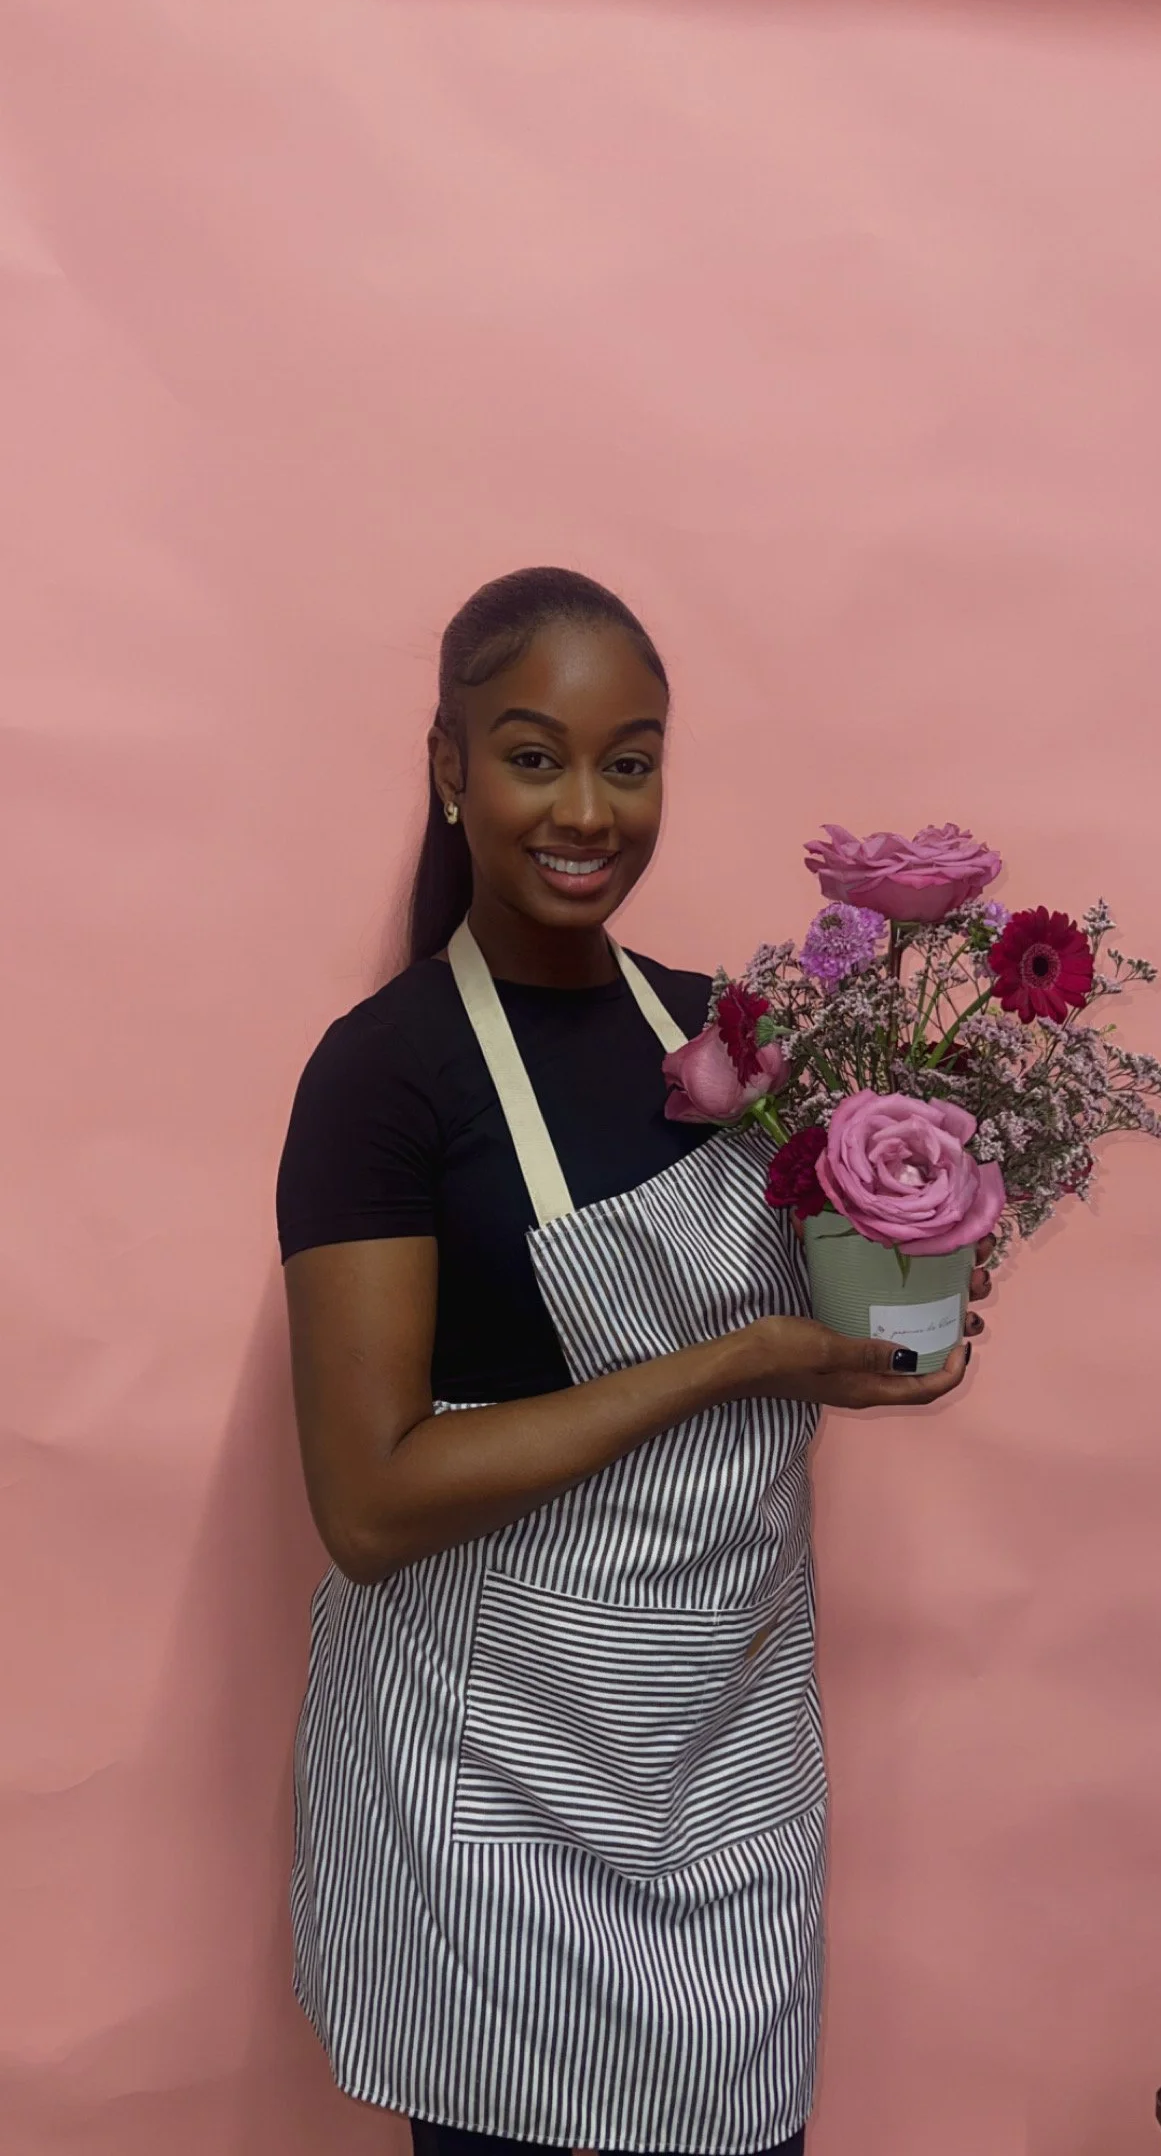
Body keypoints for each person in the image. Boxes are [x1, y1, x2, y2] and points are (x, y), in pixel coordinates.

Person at [276, 567, 992, 2156]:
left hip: (721, 1788)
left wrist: (898, 1318)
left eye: (631, 757)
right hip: (498, 1830)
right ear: (450, 767)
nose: (587, 807)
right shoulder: (384, 1080)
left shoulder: (723, 1038)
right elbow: (370, 1502)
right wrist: (735, 1360)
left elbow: (838, 1296)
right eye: (533, 756)